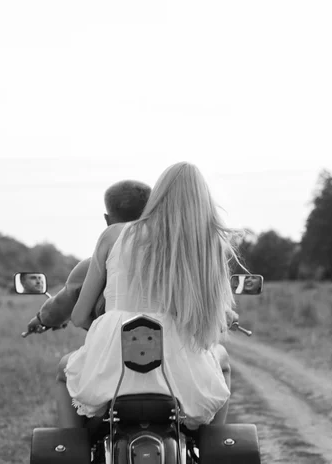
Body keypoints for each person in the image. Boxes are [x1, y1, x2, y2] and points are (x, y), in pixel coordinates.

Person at [58, 162, 242, 431]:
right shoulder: (206, 245)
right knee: (222, 361)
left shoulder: (114, 234)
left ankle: (71, 457)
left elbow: (78, 316)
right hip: (178, 370)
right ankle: (212, 450)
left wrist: (105, 328)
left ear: (158, 196)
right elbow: (212, 323)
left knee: (65, 372)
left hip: (113, 362)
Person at [26, 180, 152, 334]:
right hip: (167, 345)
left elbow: (61, 307)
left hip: (111, 343)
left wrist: (41, 319)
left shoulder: (92, 266)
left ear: (108, 220)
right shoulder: (171, 262)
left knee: (65, 360)